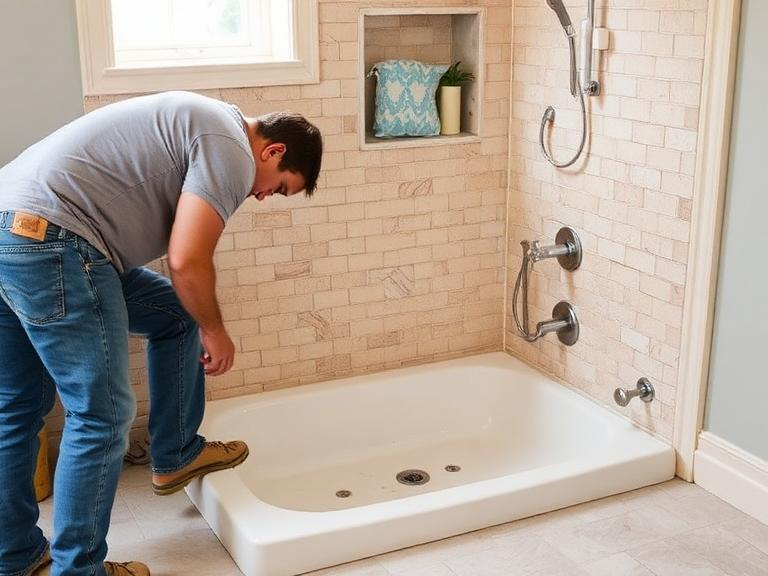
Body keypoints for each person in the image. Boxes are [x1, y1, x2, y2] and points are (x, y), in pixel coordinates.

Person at [0, 91, 323, 576]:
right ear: (273, 151)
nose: (262, 197)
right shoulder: (231, 148)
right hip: (57, 241)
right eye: (278, 188)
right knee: (102, 414)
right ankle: (79, 571)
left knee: (21, 405)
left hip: (11, 232)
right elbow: (186, 260)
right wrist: (217, 331)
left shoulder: (205, 120)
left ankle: (17, 553)